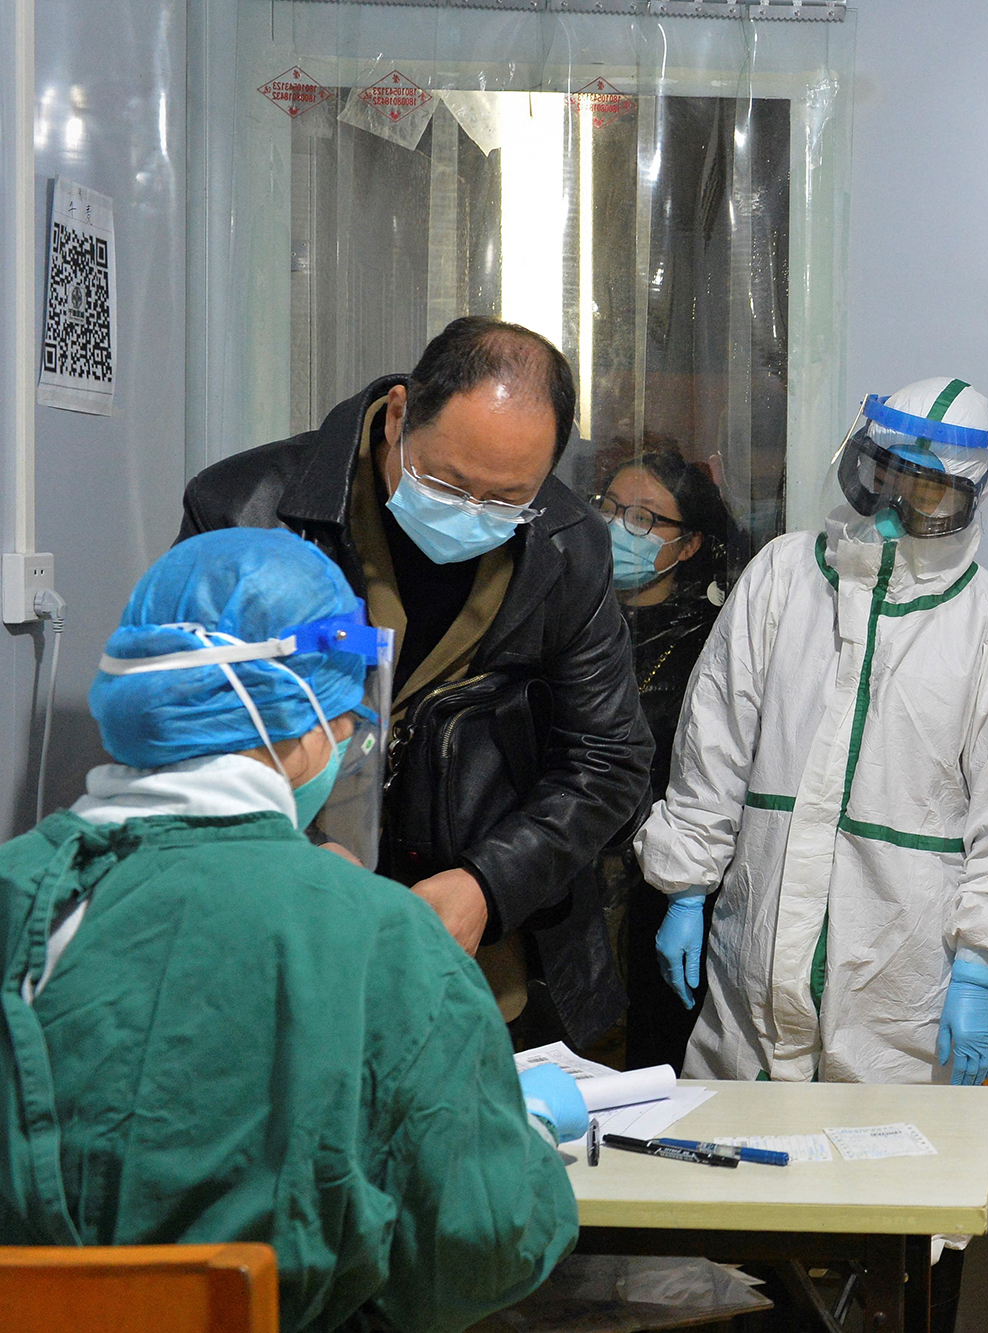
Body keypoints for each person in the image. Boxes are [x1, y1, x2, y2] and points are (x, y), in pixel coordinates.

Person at [0, 528, 580, 1333]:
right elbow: (477, 1251)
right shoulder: (382, 940)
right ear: (307, 730)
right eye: (345, 723)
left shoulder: (19, 890)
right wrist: (525, 1134)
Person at [179, 316, 653, 1051]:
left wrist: (488, 885)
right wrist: (296, 850)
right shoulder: (247, 510)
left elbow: (609, 758)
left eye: (506, 501)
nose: (472, 514)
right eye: (448, 482)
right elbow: (187, 726)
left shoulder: (565, 543)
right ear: (400, 413)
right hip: (282, 911)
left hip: (476, 944)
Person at [634, 376, 988, 1090]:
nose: (896, 503)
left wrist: (979, 967)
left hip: (897, 994)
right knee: (730, 1176)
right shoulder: (782, 577)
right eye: (885, 472)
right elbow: (712, 739)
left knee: (877, 1178)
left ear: (968, 499)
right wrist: (686, 886)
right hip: (752, 964)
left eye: (927, 490)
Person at [593, 445, 743, 1069]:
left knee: (655, 1056)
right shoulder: (565, 616)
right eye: (610, 507)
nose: (618, 527)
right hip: (573, 878)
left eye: (644, 518)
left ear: (688, 547)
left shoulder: (713, 642)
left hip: (665, 882)